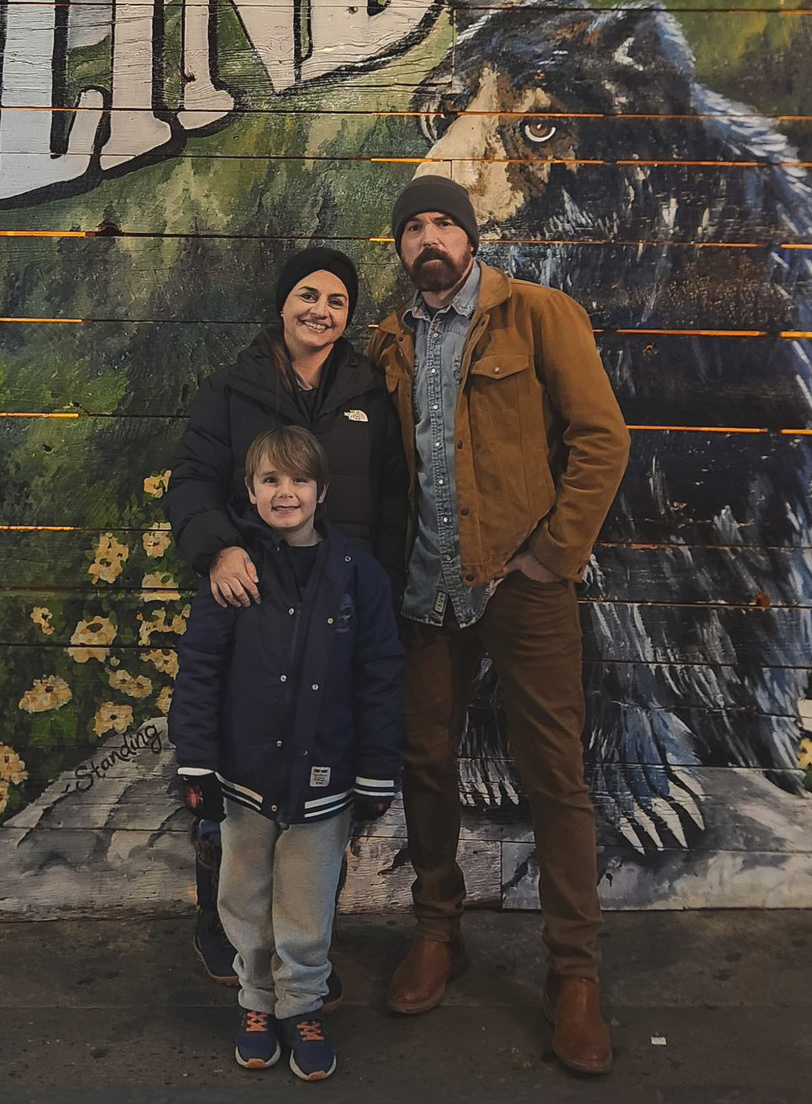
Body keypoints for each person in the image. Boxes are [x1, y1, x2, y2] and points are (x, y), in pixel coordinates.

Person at [366, 175, 630, 1075]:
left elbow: (602, 438)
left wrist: (553, 554)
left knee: (555, 774)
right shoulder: (391, 340)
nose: (429, 238)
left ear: (470, 236)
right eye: (414, 228)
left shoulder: (539, 314)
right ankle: (438, 933)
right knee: (425, 761)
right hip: (426, 591)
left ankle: (574, 975)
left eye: (444, 222)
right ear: (401, 248)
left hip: (523, 585)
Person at [166, 247, 407, 988]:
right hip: (252, 601)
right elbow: (192, 481)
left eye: (336, 301)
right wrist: (218, 550)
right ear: (282, 302)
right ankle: (229, 933)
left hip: (338, 608)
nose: (320, 311)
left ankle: (305, 950)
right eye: (308, 294)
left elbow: (394, 499)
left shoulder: (369, 392)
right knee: (242, 766)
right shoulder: (233, 388)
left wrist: (381, 595)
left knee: (319, 776)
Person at [168, 425, 403, 1080]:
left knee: (306, 900)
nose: (285, 492)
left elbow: (381, 676)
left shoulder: (358, 574)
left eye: (299, 479)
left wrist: (377, 770)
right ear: (249, 491)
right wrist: (196, 760)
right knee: (244, 894)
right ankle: (256, 1002)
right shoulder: (234, 572)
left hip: (324, 781)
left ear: (322, 491)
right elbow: (200, 666)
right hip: (244, 778)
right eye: (270, 479)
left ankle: (301, 1004)